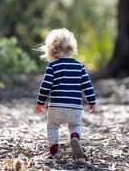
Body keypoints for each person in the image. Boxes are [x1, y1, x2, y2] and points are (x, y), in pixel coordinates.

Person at [35, 28, 96, 159]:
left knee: (52, 127)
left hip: (56, 107)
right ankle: (75, 137)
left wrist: (40, 102)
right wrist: (92, 102)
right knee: (76, 125)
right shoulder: (80, 66)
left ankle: (54, 151)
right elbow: (87, 85)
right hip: (75, 108)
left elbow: (45, 86)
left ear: (52, 50)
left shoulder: (52, 66)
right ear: (71, 48)